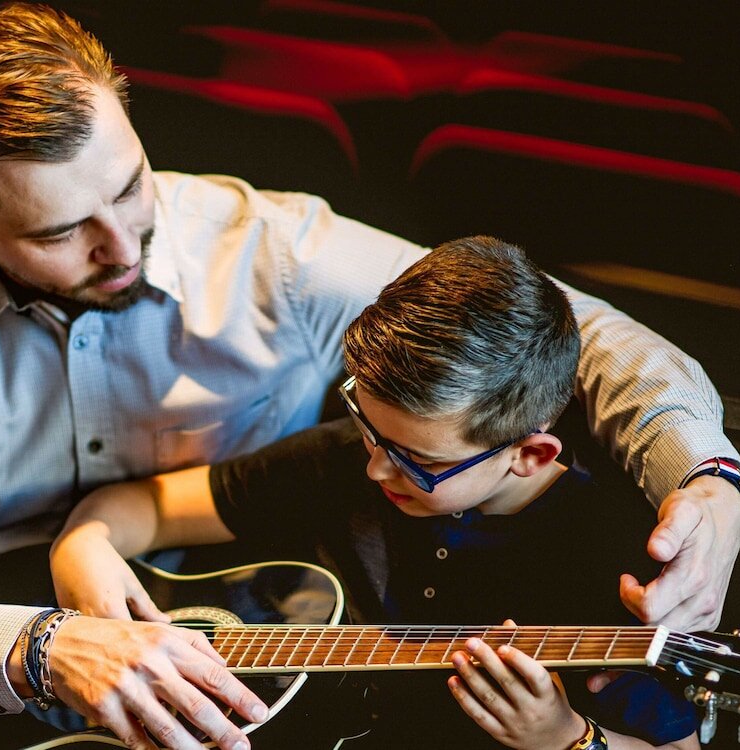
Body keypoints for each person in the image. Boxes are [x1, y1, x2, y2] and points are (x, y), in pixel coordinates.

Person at [0, 2, 740, 749]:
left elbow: (573, 329)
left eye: (128, 186)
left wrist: (710, 479)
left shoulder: (273, 250)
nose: (124, 245)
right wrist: (40, 647)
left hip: (231, 647)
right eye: (65, 231)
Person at [50, 237, 700, 749]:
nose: (375, 472)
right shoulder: (337, 459)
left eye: (417, 462)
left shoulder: (611, 565)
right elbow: (132, 512)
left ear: (529, 455)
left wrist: (564, 738)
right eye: (369, 430)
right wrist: (85, 548)